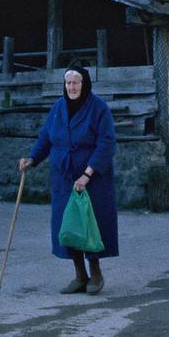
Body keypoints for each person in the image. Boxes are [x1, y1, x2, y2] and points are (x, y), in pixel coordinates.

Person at [19, 66, 119, 294]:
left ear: (85, 84)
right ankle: (79, 275)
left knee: (90, 225)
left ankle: (96, 274)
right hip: (64, 177)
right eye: (68, 83)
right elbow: (46, 136)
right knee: (68, 225)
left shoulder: (98, 108)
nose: (72, 87)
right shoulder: (58, 108)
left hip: (92, 178)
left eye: (76, 83)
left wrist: (87, 174)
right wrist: (32, 159)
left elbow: (106, 143)